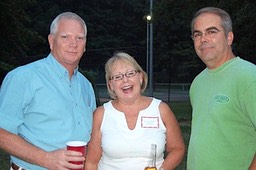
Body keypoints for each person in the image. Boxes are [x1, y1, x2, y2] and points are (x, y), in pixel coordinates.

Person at [0, 12, 96, 169]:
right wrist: (45, 158)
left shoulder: (86, 86)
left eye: (80, 38)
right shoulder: (23, 77)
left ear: (85, 45)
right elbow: (1, 132)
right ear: (52, 41)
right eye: (65, 37)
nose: (73, 43)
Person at [84, 52, 185, 170]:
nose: (125, 80)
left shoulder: (161, 109)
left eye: (130, 73)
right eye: (118, 77)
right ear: (111, 85)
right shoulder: (101, 114)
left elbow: (177, 149)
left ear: (140, 77)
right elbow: (91, 162)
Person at [187, 7, 256, 170]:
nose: (203, 39)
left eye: (211, 32)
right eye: (198, 34)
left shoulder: (249, 77)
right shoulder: (197, 83)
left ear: (229, 37)